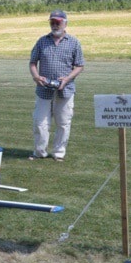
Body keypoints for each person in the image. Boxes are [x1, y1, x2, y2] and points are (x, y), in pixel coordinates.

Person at [28, 9, 85, 162]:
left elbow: (80, 65)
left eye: (58, 22)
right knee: (40, 122)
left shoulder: (74, 42)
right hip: (43, 89)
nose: (55, 25)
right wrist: (35, 76)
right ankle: (39, 152)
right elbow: (33, 62)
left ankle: (59, 153)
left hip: (65, 90)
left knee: (63, 123)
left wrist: (66, 79)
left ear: (65, 23)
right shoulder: (42, 41)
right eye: (52, 22)